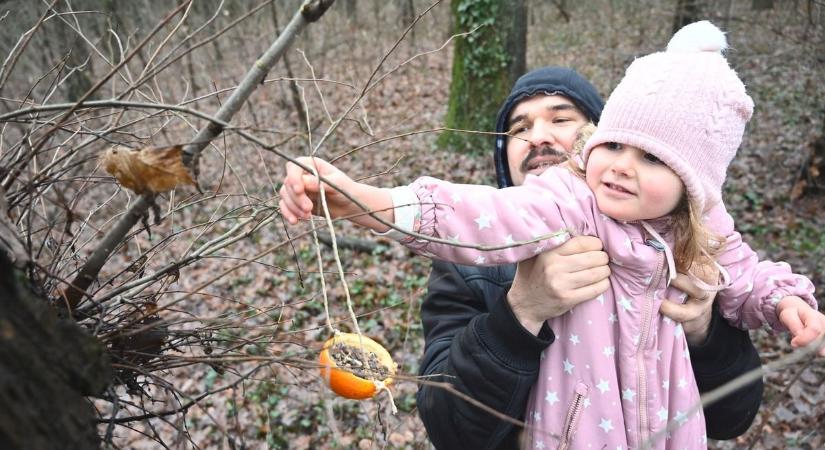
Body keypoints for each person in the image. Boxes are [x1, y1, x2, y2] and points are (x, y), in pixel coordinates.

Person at [280, 22, 825, 448]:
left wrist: (768, 307)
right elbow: (468, 214)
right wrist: (367, 203)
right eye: (518, 128)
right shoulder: (557, 207)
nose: (620, 167)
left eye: (560, 119)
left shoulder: (692, 234)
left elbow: (737, 390)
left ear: (689, 187)